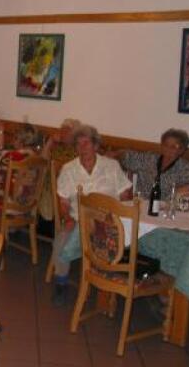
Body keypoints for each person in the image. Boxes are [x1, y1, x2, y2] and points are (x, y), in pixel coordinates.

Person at [51, 124, 132, 306]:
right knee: (61, 240)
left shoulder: (111, 166)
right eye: (78, 144)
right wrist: (68, 218)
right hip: (79, 219)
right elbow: (63, 201)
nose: (83, 148)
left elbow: (125, 194)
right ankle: (60, 284)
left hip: (109, 221)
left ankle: (107, 285)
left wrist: (118, 215)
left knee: (117, 238)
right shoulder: (68, 169)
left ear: (96, 146)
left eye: (87, 143)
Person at [116, 128, 189, 198]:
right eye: (166, 144)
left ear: (182, 150)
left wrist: (178, 192)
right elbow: (126, 156)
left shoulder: (184, 167)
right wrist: (115, 154)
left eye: (174, 146)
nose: (169, 148)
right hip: (141, 204)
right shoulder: (149, 158)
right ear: (161, 145)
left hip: (164, 208)